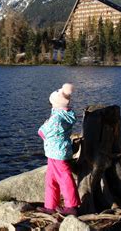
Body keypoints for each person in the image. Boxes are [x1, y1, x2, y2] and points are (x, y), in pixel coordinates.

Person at [37, 83, 81, 215]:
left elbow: (44, 132)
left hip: (57, 152)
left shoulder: (57, 118)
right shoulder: (62, 113)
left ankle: (71, 206)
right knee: (51, 179)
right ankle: (50, 205)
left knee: (64, 177)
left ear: (56, 104)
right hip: (56, 151)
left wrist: (43, 126)